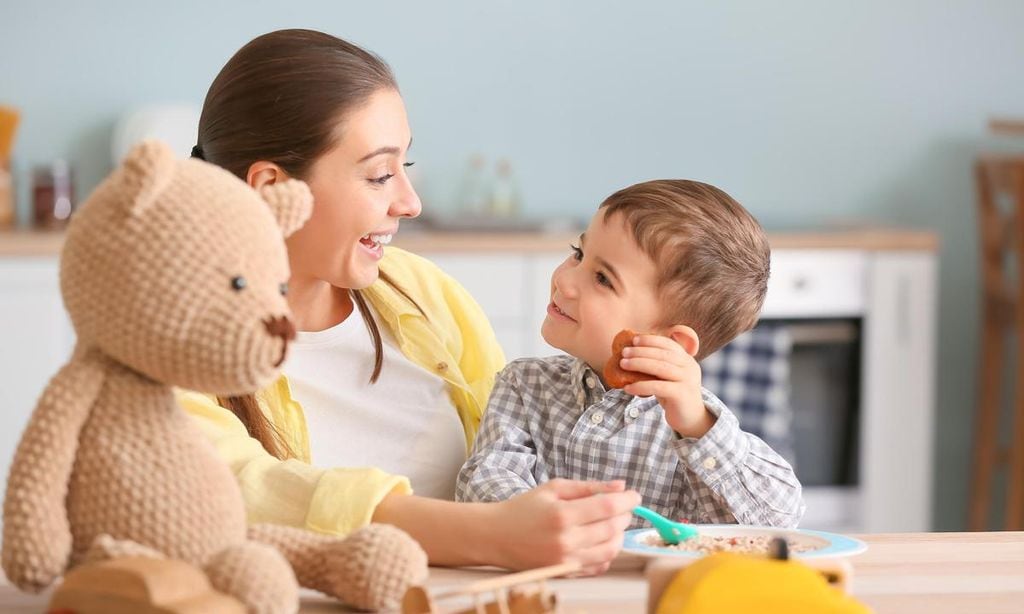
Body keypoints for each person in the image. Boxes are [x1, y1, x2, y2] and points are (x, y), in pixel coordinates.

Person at [179, 28, 639, 575]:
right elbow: (242, 493)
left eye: (406, 168)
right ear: (271, 188)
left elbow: (529, 440)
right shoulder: (167, 343)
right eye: (379, 175)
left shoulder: (423, 293)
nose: (410, 202)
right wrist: (493, 537)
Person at [456, 180, 806, 528]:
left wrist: (698, 427)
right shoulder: (525, 384)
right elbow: (483, 482)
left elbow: (778, 521)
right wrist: (552, 519)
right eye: (578, 253)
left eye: (603, 279)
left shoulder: (694, 426)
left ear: (670, 342)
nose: (565, 281)